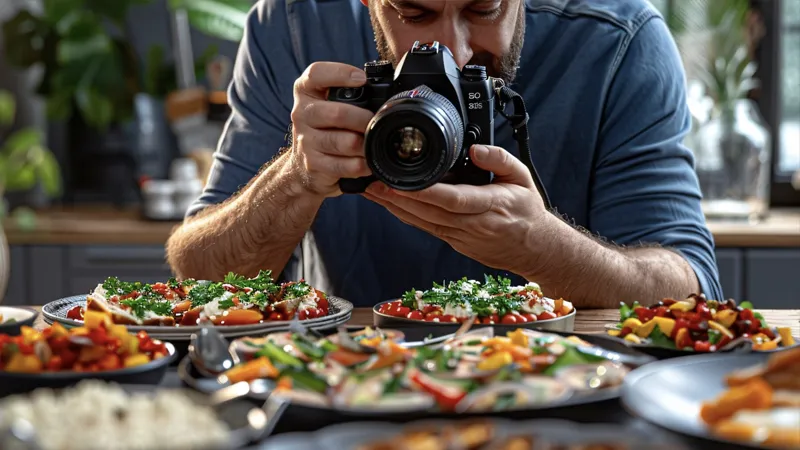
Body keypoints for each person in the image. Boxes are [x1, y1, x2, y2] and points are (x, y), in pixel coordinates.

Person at [165, 0, 724, 308]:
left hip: (556, 391)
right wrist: (294, 176)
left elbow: (691, 286)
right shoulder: (289, 27)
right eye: (413, 13)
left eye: (483, 9)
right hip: (345, 388)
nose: (451, 52)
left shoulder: (620, 41)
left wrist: (539, 245)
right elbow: (197, 275)